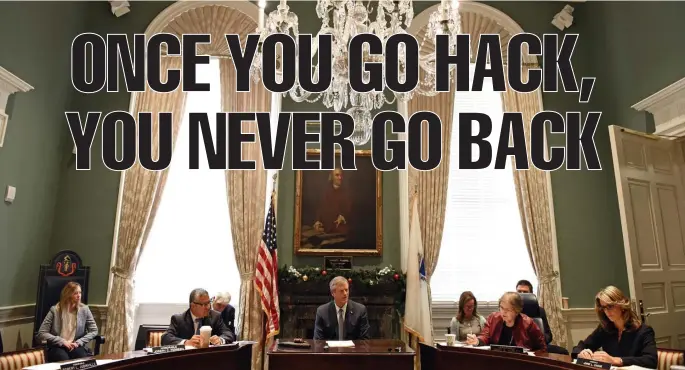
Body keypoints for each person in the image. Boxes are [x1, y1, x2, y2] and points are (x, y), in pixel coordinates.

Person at [572, 286, 657, 369]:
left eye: (610, 306)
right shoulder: (604, 329)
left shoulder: (644, 331)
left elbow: (651, 361)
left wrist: (616, 360)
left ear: (622, 305)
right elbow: (580, 347)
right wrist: (581, 353)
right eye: (603, 308)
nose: (606, 311)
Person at [37, 282, 99, 362]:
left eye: (80, 292)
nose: (79, 295)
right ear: (68, 295)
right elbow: (42, 333)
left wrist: (79, 342)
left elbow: (94, 330)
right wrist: (62, 341)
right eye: (75, 293)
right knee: (62, 358)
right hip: (58, 346)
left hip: (75, 345)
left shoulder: (84, 309)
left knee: (81, 357)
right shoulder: (55, 310)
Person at [465, 292, 546, 351]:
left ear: (516, 311)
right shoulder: (493, 318)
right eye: (502, 308)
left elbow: (542, 348)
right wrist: (477, 341)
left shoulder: (528, 323)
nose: (503, 312)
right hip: (498, 360)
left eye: (507, 309)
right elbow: (485, 336)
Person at [162, 288, 235, 346]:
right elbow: (165, 338)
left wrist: (220, 340)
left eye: (209, 303)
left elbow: (228, 334)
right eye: (205, 304)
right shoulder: (179, 319)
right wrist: (186, 342)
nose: (208, 307)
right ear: (193, 306)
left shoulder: (215, 316)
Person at [314, 276, 370, 340]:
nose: (345, 293)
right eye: (341, 291)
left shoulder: (360, 310)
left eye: (346, 290)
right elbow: (318, 340)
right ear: (333, 293)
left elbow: (365, 339)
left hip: (353, 349)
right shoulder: (322, 311)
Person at [313, 168, 352, 235]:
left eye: (341, 175)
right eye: (337, 175)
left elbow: (349, 209)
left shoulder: (347, 192)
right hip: (325, 226)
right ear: (331, 177)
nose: (340, 177)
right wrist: (317, 221)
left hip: (340, 226)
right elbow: (320, 207)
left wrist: (343, 216)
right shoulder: (325, 191)